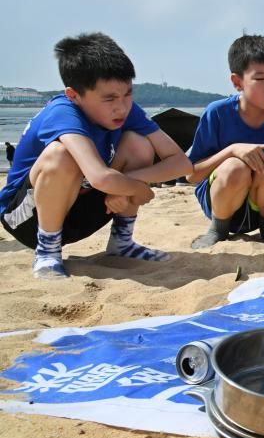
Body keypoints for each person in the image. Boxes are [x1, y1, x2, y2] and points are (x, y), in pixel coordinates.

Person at [0, 33, 192, 278]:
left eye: (127, 94)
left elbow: (181, 163)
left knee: (138, 144)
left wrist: (125, 184)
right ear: (74, 95)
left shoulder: (126, 109)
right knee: (61, 154)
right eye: (109, 98)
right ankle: (47, 251)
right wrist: (135, 188)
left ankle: (122, 242)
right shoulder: (63, 112)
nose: (121, 106)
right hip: (27, 219)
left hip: (84, 204)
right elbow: (101, 178)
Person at [187, 34, 264, 249]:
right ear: (237, 82)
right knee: (235, 166)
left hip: (262, 208)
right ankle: (218, 230)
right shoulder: (218, 112)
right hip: (222, 203)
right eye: (260, 79)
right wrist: (232, 150)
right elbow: (192, 174)